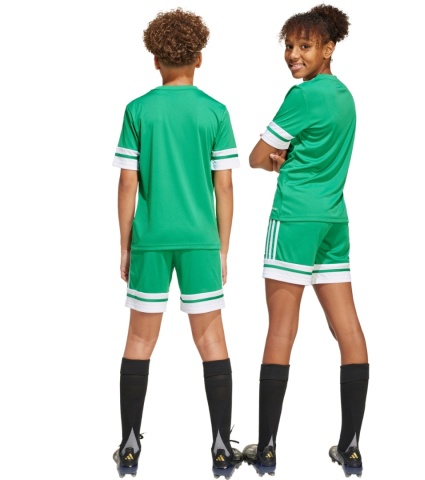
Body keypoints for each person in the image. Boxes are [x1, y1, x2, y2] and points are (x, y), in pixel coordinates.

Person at [111, 8, 243, 479]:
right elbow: (224, 186)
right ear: (199, 58)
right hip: (200, 241)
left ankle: (129, 445)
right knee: (211, 338)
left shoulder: (138, 110)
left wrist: (125, 244)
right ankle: (222, 446)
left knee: (139, 339)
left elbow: (128, 182)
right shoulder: (215, 111)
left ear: (155, 60)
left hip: (150, 239)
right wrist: (222, 247)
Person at [242, 4, 369, 478]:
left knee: (281, 330)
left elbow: (257, 156)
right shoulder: (346, 97)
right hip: (333, 220)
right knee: (348, 329)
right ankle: (351, 447)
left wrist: (277, 159)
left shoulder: (302, 96)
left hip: (294, 219)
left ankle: (267, 449)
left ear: (329, 48)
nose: (293, 55)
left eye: (305, 46)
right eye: (289, 46)